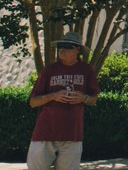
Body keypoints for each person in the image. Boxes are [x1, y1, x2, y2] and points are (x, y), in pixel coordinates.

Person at [27, 31, 99, 170]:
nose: (62, 49)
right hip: (44, 133)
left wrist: (84, 98)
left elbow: (93, 99)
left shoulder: (86, 70)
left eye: (67, 46)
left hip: (72, 135)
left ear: (77, 50)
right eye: (60, 46)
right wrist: (53, 96)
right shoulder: (49, 70)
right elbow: (33, 102)